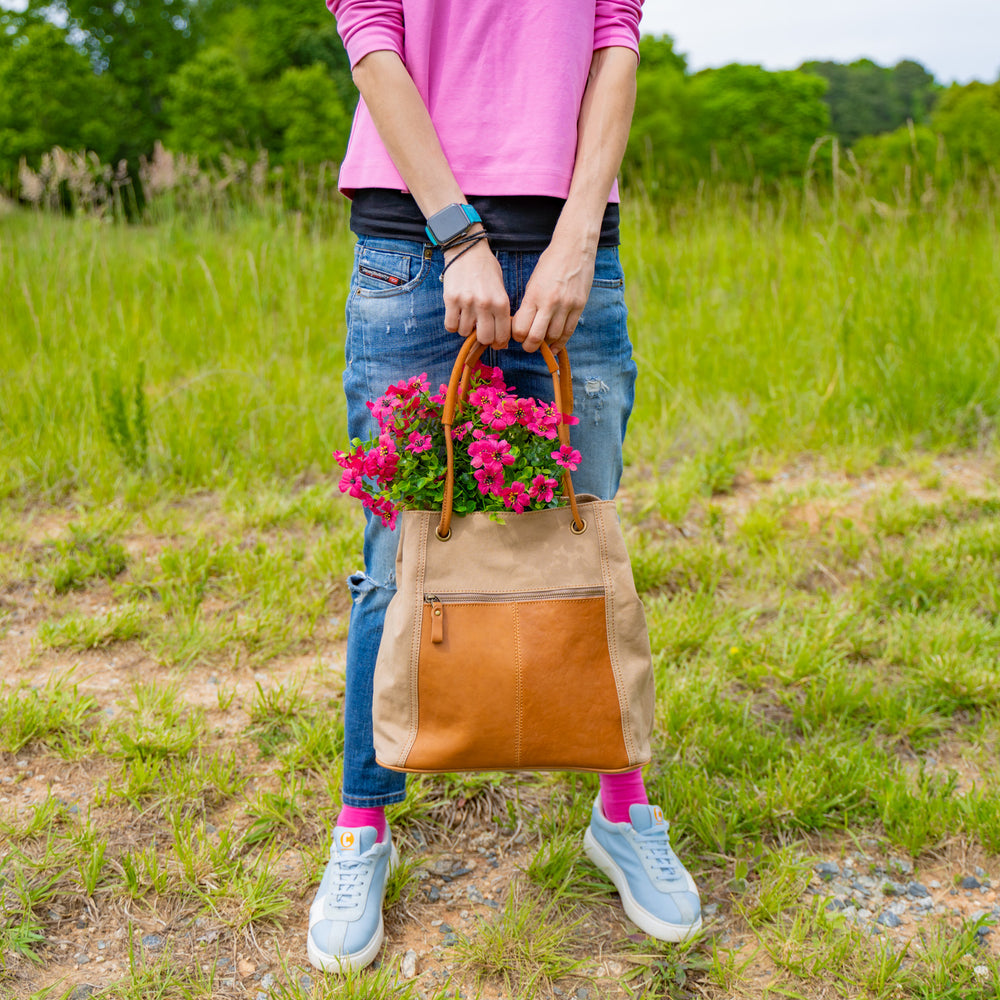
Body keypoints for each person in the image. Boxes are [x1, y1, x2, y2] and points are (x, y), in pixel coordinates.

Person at [307, 0, 702, 973]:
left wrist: (576, 237)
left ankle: (621, 812)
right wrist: (458, 234)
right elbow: (373, 46)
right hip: (414, 248)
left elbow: (615, 41)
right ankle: (363, 825)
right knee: (394, 558)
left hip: (575, 256)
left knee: (581, 538)